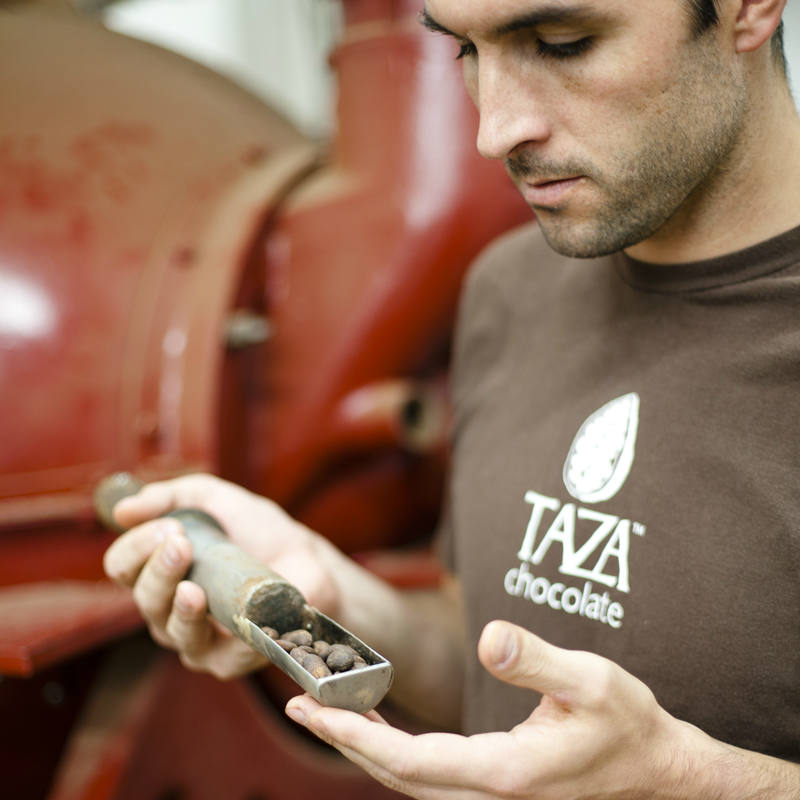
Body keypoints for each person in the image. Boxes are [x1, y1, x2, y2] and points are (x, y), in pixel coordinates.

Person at [104, 0, 800, 796]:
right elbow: (493, 676)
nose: (494, 132)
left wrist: (690, 780)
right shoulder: (510, 288)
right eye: (466, 50)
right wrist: (336, 596)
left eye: (562, 43)